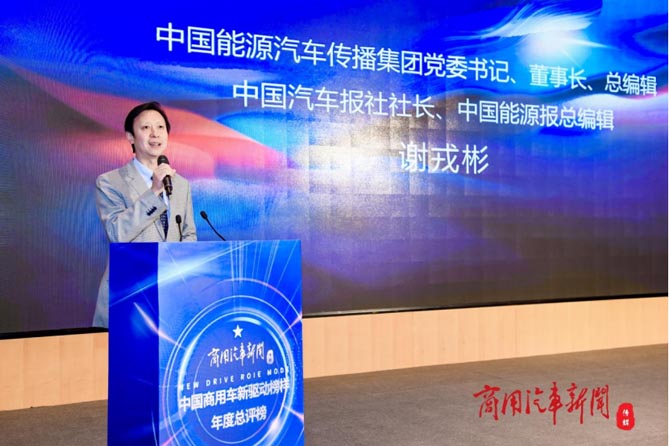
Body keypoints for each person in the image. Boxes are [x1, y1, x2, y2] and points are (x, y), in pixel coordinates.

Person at [93, 101, 197, 327]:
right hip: (128, 294)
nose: (155, 134)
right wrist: (154, 192)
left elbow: (188, 234)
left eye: (160, 127)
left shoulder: (181, 184)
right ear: (130, 137)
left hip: (171, 296)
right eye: (146, 128)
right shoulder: (110, 182)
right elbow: (117, 233)